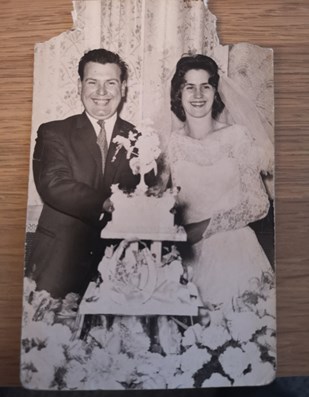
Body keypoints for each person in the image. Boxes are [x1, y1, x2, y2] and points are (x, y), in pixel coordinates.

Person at [26, 48, 153, 299]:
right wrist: (106, 202)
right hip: (60, 263)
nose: (102, 92)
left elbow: (142, 192)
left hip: (120, 266)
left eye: (111, 83)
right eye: (92, 82)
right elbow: (54, 183)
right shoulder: (54, 132)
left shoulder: (141, 139)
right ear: (79, 85)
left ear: (124, 88)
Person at [168, 54, 274, 308]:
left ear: (216, 93)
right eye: (189, 87)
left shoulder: (237, 136)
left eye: (206, 86)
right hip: (188, 256)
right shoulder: (170, 143)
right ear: (178, 94)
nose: (198, 94)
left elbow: (258, 204)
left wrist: (203, 228)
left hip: (236, 252)